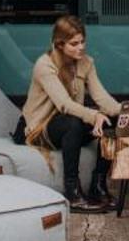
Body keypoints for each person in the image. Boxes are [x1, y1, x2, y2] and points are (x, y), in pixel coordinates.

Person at [20, 16, 121, 212]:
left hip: (68, 124)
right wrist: (93, 116)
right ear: (59, 44)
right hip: (40, 127)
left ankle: (98, 187)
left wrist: (125, 111)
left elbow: (102, 99)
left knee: (112, 120)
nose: (81, 47)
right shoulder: (45, 65)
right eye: (74, 44)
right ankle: (72, 192)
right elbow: (64, 104)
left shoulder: (86, 62)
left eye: (83, 42)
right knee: (73, 123)